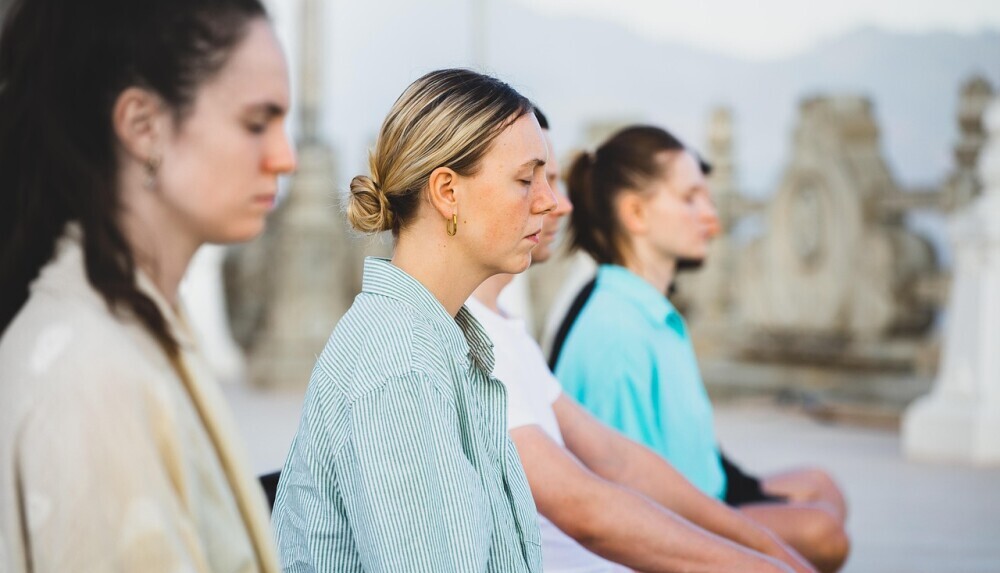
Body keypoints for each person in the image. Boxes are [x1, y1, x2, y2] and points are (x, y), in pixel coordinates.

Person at [0, 0, 296, 571]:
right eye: (256, 123)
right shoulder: (92, 370)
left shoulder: (135, 324)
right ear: (143, 126)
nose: (285, 158)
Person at [468, 109, 813, 573]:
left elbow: (619, 461)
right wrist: (755, 559)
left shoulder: (504, 331)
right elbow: (590, 507)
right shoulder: (472, 335)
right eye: (529, 180)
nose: (558, 205)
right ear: (451, 192)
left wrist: (763, 548)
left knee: (817, 502)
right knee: (818, 532)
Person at [272, 69, 556, 572]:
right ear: (447, 191)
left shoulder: (434, 345)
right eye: (525, 179)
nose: (548, 201)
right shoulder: (400, 369)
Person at [553, 126, 850, 573]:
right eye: (691, 198)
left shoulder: (648, 309)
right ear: (636, 212)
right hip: (671, 518)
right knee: (821, 533)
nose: (711, 217)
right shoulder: (614, 328)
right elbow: (624, 493)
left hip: (705, 494)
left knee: (822, 486)